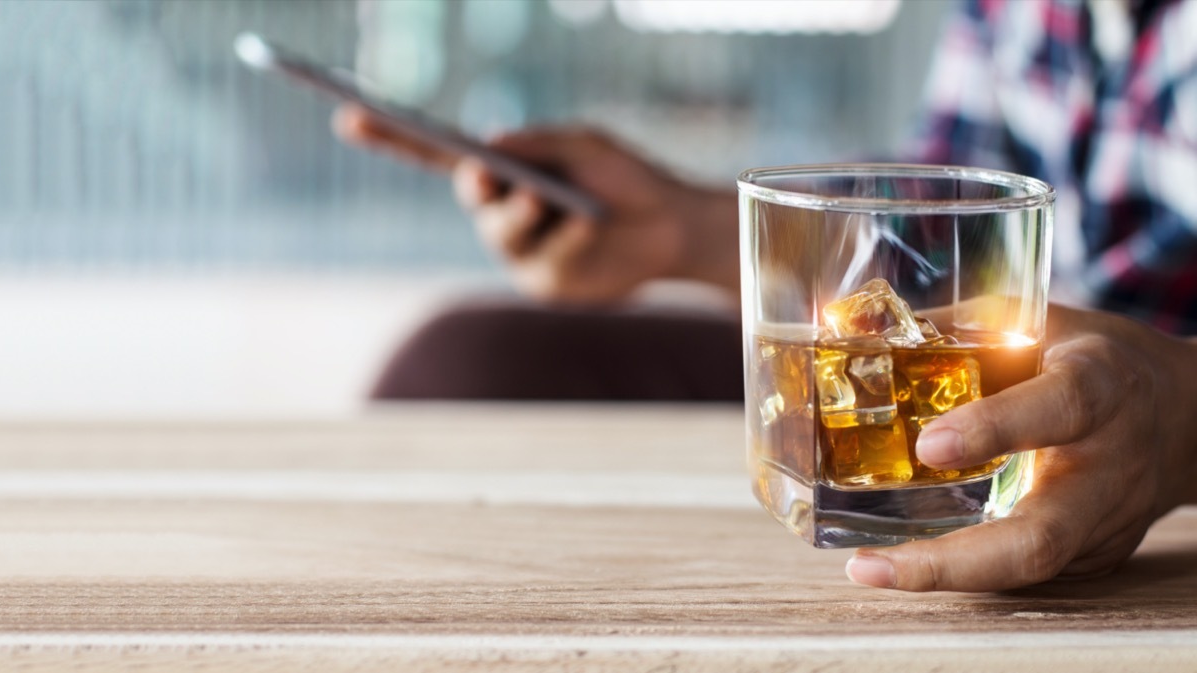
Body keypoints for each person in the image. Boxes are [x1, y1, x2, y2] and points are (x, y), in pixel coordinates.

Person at [335, 0, 1197, 593]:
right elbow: (934, 250)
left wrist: (1180, 417)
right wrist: (676, 228)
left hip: (1130, 428)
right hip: (991, 385)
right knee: (463, 360)